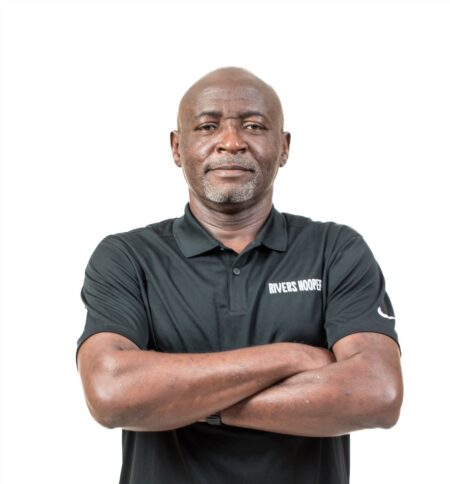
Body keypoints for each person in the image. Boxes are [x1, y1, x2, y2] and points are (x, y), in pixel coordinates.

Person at [76, 67, 403, 484]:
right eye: (207, 126)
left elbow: (377, 393)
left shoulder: (334, 250)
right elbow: (110, 393)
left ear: (284, 147)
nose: (231, 142)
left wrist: (187, 402)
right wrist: (292, 357)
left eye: (254, 126)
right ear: (177, 147)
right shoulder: (128, 257)